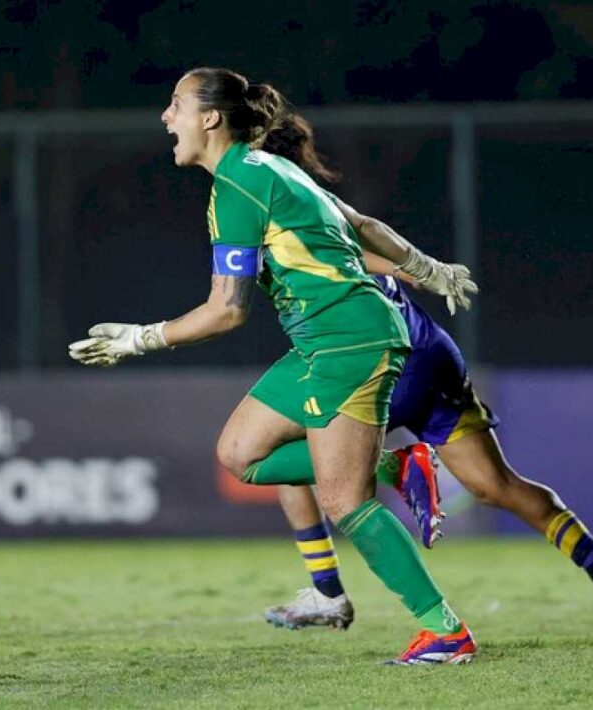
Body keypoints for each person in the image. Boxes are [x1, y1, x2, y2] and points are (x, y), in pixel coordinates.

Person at [69, 67, 479, 665]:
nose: (166, 117)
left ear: (210, 118)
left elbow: (227, 311)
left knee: (345, 501)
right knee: (240, 453)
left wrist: (140, 339)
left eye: (175, 105)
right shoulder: (269, 168)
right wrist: (428, 268)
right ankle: (398, 465)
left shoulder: (238, 185)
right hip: (322, 343)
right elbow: (361, 226)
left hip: (351, 341)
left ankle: (444, 631)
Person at [245, 119, 593, 645]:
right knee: (495, 485)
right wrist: (420, 269)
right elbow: (370, 248)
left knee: (274, 449)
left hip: (373, 363)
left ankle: (327, 587)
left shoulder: (272, 212)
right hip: (431, 351)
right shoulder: (321, 210)